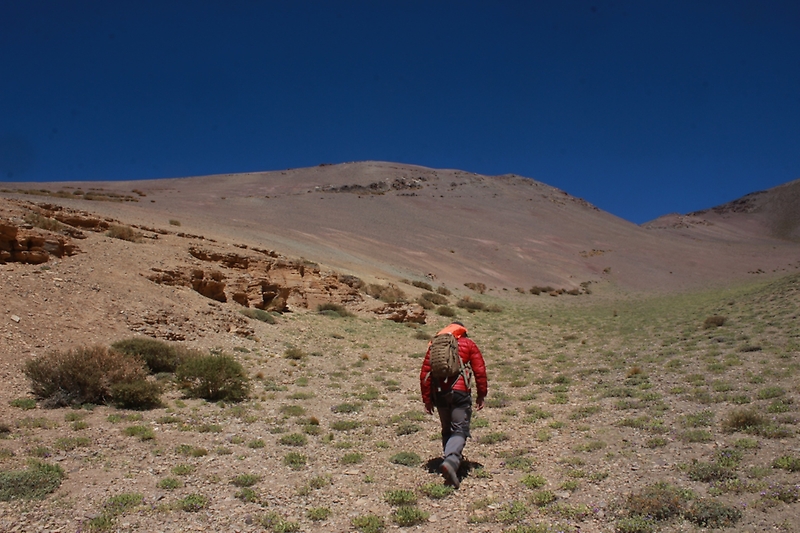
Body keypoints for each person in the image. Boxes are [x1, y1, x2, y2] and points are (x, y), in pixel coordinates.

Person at [419, 321, 487, 488]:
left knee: (446, 429)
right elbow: (480, 370)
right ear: (462, 331)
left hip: (440, 393)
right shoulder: (468, 344)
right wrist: (481, 394)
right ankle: (451, 460)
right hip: (460, 393)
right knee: (459, 429)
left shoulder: (435, 345)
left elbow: (424, 374)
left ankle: (450, 464)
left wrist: (427, 400)